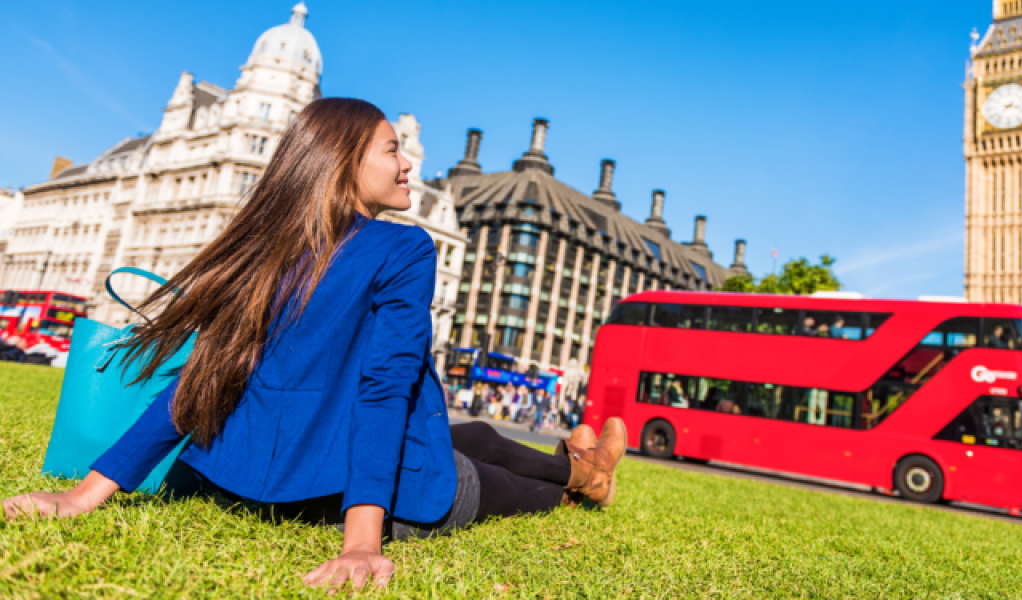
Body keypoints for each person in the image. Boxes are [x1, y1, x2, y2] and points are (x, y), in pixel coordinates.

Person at [2, 99, 628, 593]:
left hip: (235, 479)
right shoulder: (402, 247)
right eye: (392, 150)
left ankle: (585, 461)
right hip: (352, 490)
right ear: (344, 161)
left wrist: (85, 495)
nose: (407, 164)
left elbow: (197, 381)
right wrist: (362, 542)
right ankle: (584, 480)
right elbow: (383, 390)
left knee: (481, 437)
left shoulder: (259, 247)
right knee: (505, 485)